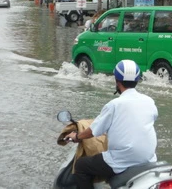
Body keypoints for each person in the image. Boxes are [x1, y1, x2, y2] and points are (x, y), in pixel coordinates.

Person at [65, 60, 158, 188]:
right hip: (148, 158)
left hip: (121, 160)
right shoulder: (149, 101)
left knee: (81, 165)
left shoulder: (114, 105)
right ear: (137, 80)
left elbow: (93, 131)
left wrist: (77, 137)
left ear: (117, 81)